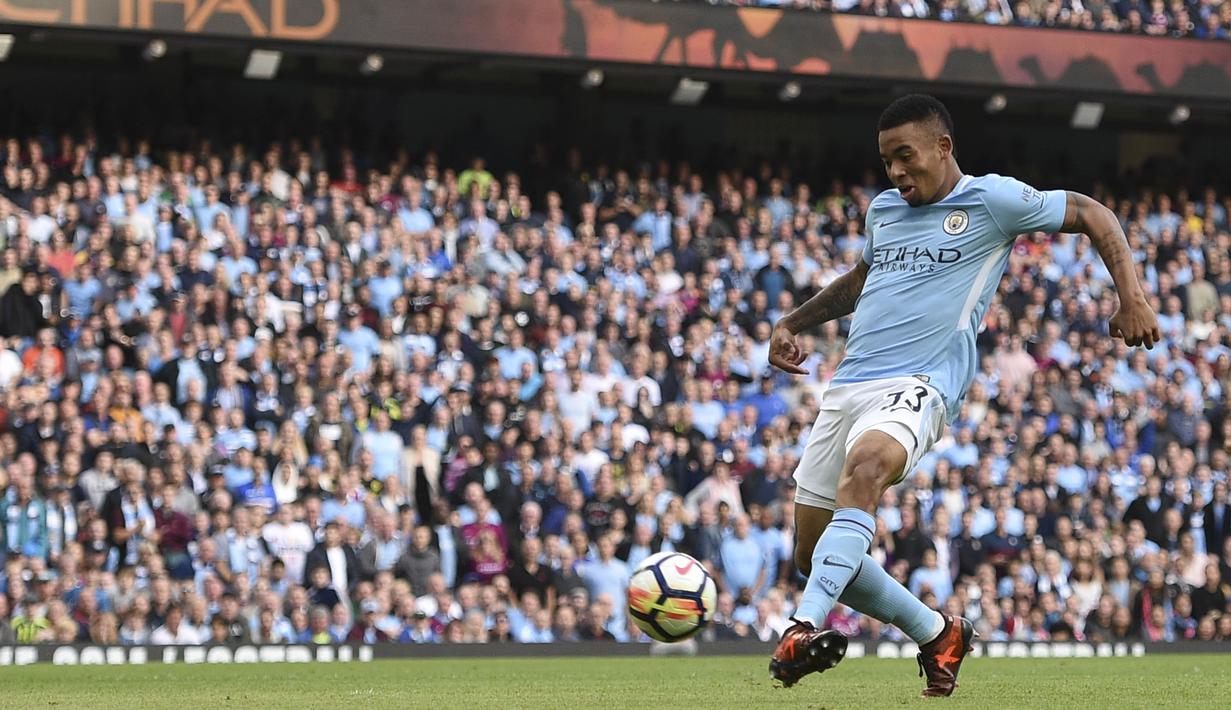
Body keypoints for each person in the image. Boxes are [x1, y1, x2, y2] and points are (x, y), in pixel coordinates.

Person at [767, 94, 1159, 697]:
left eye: (906, 156)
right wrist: (793, 322)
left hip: (920, 383)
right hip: (848, 385)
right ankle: (937, 632)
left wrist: (1129, 294)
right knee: (814, 552)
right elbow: (861, 281)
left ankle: (802, 627)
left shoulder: (991, 200)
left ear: (942, 147)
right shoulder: (884, 210)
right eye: (886, 161)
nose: (896, 172)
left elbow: (1093, 213)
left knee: (867, 469)